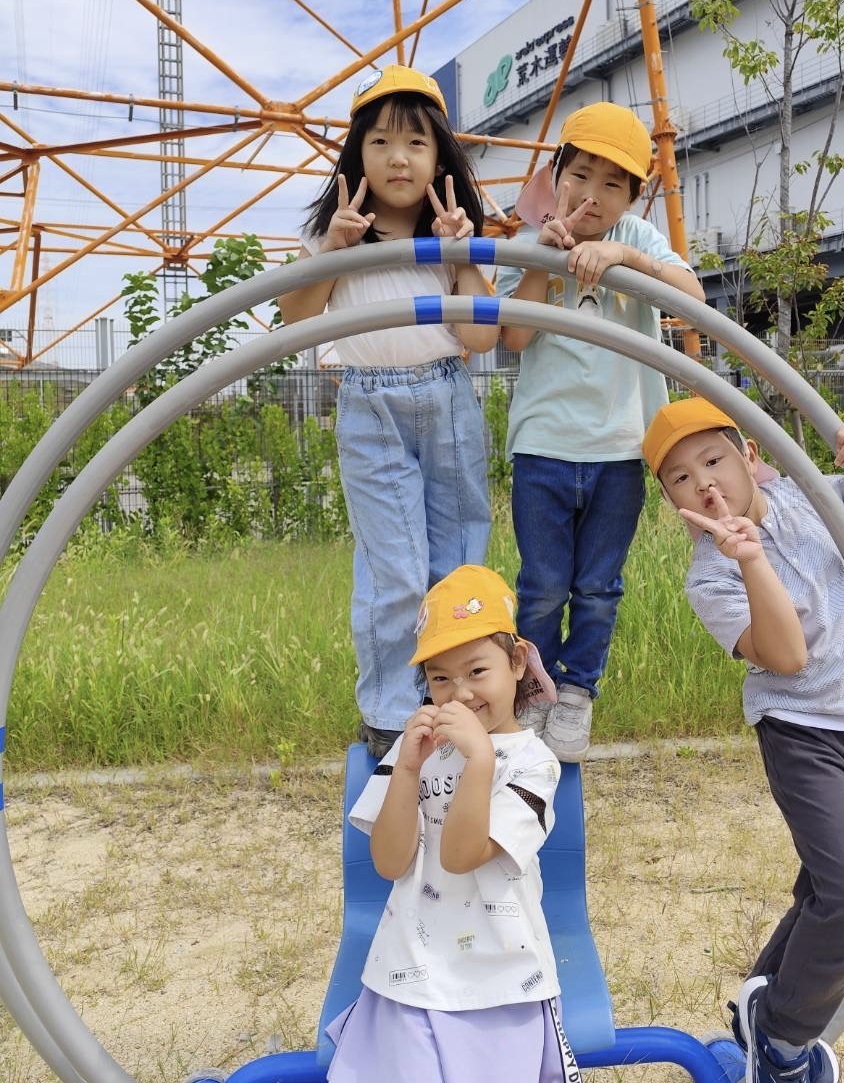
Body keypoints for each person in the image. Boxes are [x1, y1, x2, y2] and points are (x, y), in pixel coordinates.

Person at [641, 396, 844, 1083]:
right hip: (801, 735)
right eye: (679, 478)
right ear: (671, 503)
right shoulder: (710, 575)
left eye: (713, 460)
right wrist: (750, 560)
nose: (703, 482)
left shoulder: (805, 500)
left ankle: (759, 1007)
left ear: (751, 457)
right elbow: (784, 656)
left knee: (830, 889)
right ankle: (786, 1042)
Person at [278, 65, 497, 757]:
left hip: (446, 396)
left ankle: (461, 694)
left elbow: (482, 336)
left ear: (440, 159)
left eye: (414, 144)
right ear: (356, 158)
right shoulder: (332, 240)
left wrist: (462, 255)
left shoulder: (448, 237)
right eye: (379, 143)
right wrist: (334, 252)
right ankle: (386, 712)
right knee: (393, 567)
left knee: (458, 557)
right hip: (369, 403)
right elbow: (294, 320)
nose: (397, 158)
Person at [495, 101, 705, 760]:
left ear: (630, 199)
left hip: (619, 449)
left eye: (612, 184)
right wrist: (544, 262)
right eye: (579, 176)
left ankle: (577, 692)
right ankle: (531, 694)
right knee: (543, 583)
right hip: (543, 447)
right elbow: (514, 335)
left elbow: (691, 300)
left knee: (597, 587)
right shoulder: (527, 244)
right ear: (555, 176)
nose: (591, 194)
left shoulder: (637, 241)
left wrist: (617, 256)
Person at [325, 564, 577, 1083]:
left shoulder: (534, 763)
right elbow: (390, 861)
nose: (459, 693)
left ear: (517, 664)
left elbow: (460, 856)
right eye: (441, 678)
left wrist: (480, 761)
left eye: (477, 671)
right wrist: (409, 768)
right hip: (409, 971)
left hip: (502, 978)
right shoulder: (413, 751)